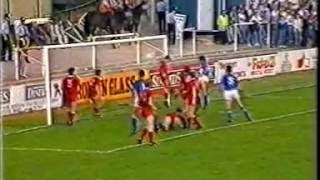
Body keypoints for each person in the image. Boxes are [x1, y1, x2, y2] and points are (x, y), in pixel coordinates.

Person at [137, 81, 158, 145]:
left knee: (148, 125)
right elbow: (149, 102)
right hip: (147, 110)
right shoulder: (149, 92)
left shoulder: (142, 92)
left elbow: (139, 102)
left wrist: (141, 108)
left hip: (143, 110)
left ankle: (140, 138)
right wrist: (154, 107)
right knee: (150, 125)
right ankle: (151, 141)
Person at [130, 69, 147, 135]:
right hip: (139, 100)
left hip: (137, 100)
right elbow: (140, 93)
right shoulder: (141, 83)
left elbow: (134, 91)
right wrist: (142, 100)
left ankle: (137, 129)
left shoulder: (137, 82)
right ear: (144, 75)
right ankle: (138, 129)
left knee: (136, 115)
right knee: (136, 115)